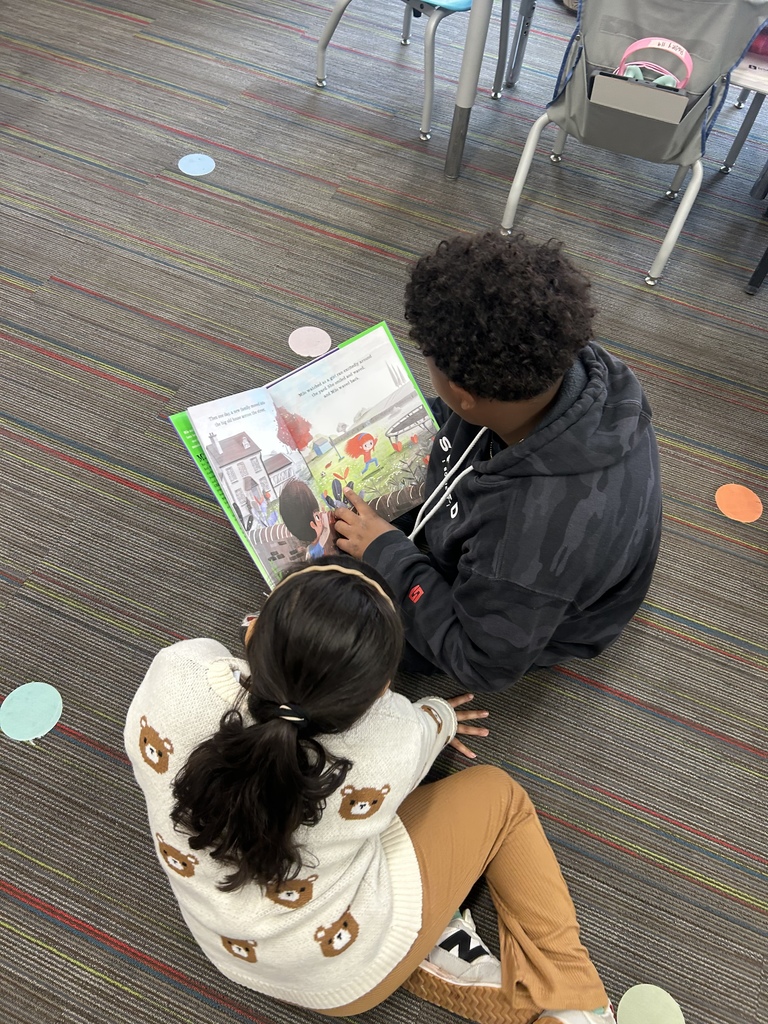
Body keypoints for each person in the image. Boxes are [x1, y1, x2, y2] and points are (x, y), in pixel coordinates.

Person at [125, 556, 616, 1024]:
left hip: (225, 946)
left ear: (254, 629)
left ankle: (431, 943)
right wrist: (441, 717)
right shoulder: (387, 740)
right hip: (348, 968)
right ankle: (574, 998)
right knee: (501, 798)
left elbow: (227, 670)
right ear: (381, 694)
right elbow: (424, 726)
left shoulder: (176, 675)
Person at [334, 232, 662, 693]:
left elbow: (481, 664)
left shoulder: (526, 542)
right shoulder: (573, 365)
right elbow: (458, 418)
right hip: (516, 534)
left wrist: (387, 553)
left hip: (524, 609)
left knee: (340, 623)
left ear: (466, 397)